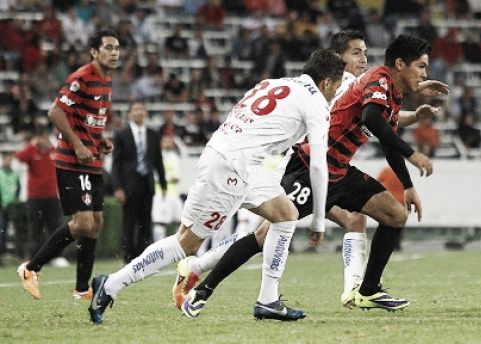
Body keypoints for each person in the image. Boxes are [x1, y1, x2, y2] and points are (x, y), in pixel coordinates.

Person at [172, 30, 449, 310]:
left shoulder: (382, 89)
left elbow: (384, 121)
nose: (363, 58)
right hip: (308, 166)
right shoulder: (353, 82)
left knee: (392, 214)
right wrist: (412, 153)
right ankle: (202, 285)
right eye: (356, 53)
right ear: (335, 60)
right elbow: (373, 117)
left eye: (365, 52)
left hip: (338, 170)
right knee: (264, 235)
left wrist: (408, 182)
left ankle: (364, 290)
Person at [87, 49, 345, 324]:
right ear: (326, 82)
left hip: (231, 157)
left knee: (286, 214)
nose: (334, 93)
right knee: (186, 242)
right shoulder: (316, 101)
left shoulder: (274, 83)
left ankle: (268, 300)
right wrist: (319, 220)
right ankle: (111, 284)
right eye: (336, 86)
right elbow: (318, 164)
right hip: (232, 168)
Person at [16, 30, 119, 300]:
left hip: (91, 158)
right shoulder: (82, 77)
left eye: (117, 48)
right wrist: (77, 144)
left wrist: (101, 139)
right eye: (108, 47)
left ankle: (82, 288)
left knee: (96, 222)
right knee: (83, 223)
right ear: (94, 52)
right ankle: (31, 267)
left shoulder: (106, 80)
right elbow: (55, 111)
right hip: (73, 161)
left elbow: (86, 117)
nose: (115, 52)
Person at [111, 101, 167, 263]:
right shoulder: (122, 135)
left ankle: (143, 258)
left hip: (147, 184)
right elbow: (116, 163)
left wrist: (162, 183)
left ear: (146, 113)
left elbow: (158, 160)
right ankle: (128, 258)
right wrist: (118, 187)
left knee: (146, 222)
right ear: (129, 114)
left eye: (141, 110)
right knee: (129, 222)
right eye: (135, 110)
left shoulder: (153, 134)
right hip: (129, 185)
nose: (138, 113)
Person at [14, 130, 65, 266]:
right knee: (35, 229)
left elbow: (62, 159)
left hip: (52, 197)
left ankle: (56, 257)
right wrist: (32, 145)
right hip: (35, 198)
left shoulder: (53, 151)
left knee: (55, 228)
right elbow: (19, 157)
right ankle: (33, 258)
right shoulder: (31, 152)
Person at [0, 151, 20, 265]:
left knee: (17, 230)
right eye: (7, 159)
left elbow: (18, 189)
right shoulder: (0, 173)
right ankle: (1, 255)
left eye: (10, 159)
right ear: (3, 159)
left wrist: (15, 201)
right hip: (2, 207)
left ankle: (18, 253)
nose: (9, 161)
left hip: (13, 207)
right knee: (2, 231)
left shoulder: (14, 174)